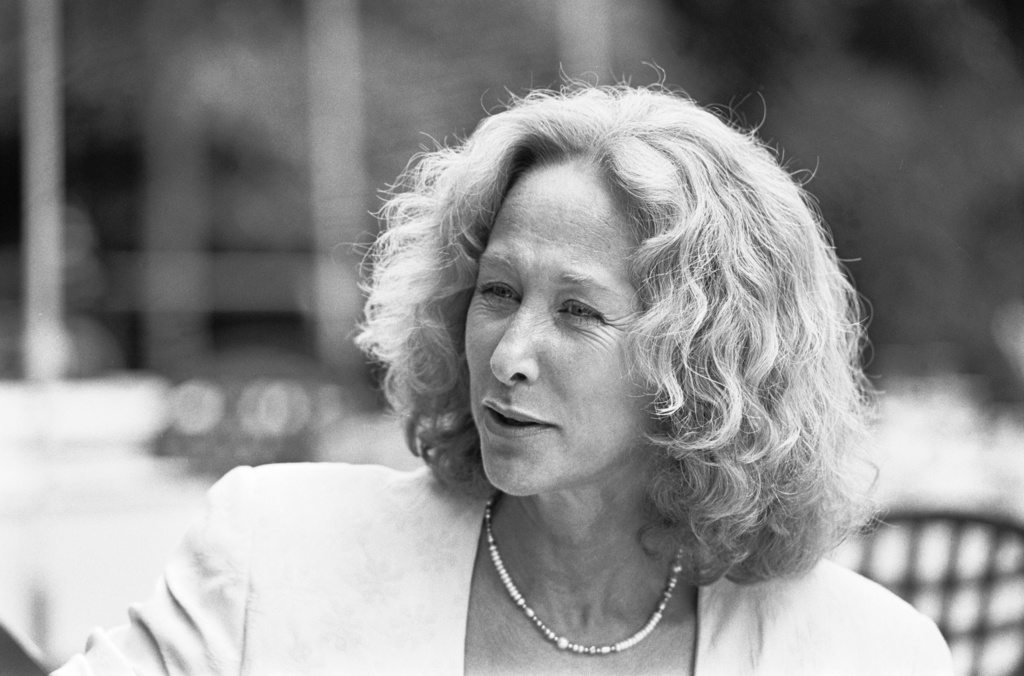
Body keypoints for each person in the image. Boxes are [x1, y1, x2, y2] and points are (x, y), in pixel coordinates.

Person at [55, 84, 953, 675]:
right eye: (497, 292)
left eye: (579, 311)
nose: (510, 353)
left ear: (704, 361)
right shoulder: (274, 552)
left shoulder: (870, 653)